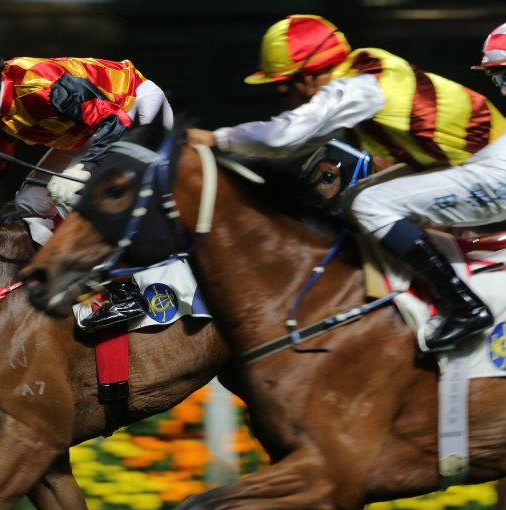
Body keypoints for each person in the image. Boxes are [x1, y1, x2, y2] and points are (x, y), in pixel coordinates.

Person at [187, 14, 506, 352]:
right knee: (359, 197)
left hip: (494, 172)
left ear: (307, 78)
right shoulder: (359, 78)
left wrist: (215, 138)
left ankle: (463, 305)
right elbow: (297, 142)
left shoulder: (356, 87)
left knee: (372, 204)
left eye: (283, 83)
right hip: (477, 164)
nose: (282, 95)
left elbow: (284, 135)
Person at [0, 31, 174, 329]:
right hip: (89, 130)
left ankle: (125, 291)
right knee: (30, 201)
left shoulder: (40, 86)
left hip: (134, 108)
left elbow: (113, 122)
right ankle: (66, 275)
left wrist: (86, 169)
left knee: (71, 192)